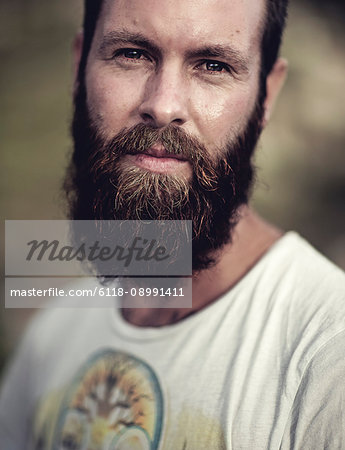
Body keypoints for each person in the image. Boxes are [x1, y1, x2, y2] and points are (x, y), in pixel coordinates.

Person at [1, 0, 345, 448]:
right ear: (78, 65)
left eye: (213, 65)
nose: (163, 106)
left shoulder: (325, 354)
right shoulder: (56, 332)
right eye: (132, 53)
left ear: (267, 95)